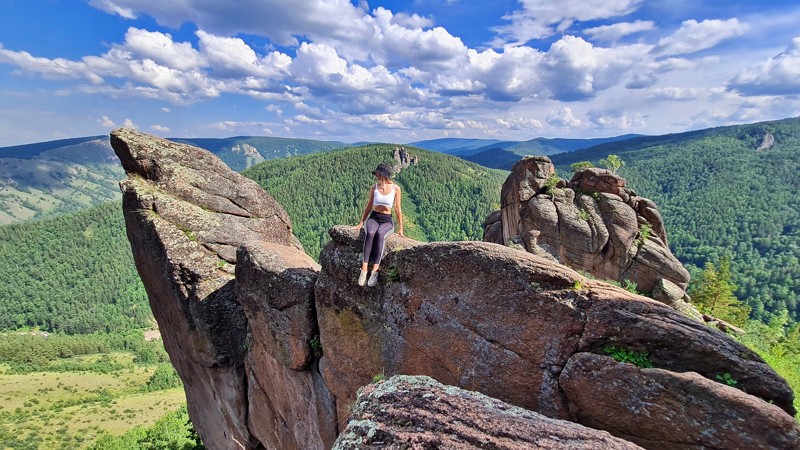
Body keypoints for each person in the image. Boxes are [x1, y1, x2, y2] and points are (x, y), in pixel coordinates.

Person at [351, 163, 405, 286]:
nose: (375, 175)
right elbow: (369, 206)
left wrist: (401, 228)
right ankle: (364, 269)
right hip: (374, 217)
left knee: (380, 234)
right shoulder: (374, 187)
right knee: (370, 233)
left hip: (387, 220)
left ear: (382, 175)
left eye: (377, 173)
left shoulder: (396, 189)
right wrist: (361, 222)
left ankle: (375, 270)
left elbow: (398, 209)